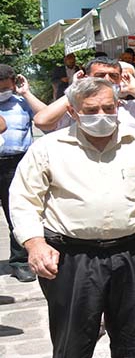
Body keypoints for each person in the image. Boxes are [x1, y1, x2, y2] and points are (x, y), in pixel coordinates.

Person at [9, 77, 135, 357]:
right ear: (73, 112)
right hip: (71, 257)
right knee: (73, 343)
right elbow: (24, 199)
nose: (101, 116)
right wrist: (34, 243)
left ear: (118, 106)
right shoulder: (48, 148)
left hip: (133, 254)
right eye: (91, 110)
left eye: (108, 108)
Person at [33, 57, 135, 134]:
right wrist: (75, 89)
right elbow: (42, 121)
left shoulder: (132, 107)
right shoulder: (75, 108)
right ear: (86, 77)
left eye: (113, 76)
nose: (107, 80)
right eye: (100, 75)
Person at [0, 65, 48, 282]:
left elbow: (47, 118)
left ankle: (20, 261)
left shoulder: (21, 102)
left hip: (17, 163)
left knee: (16, 212)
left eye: (5, 88)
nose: (3, 93)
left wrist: (26, 93)